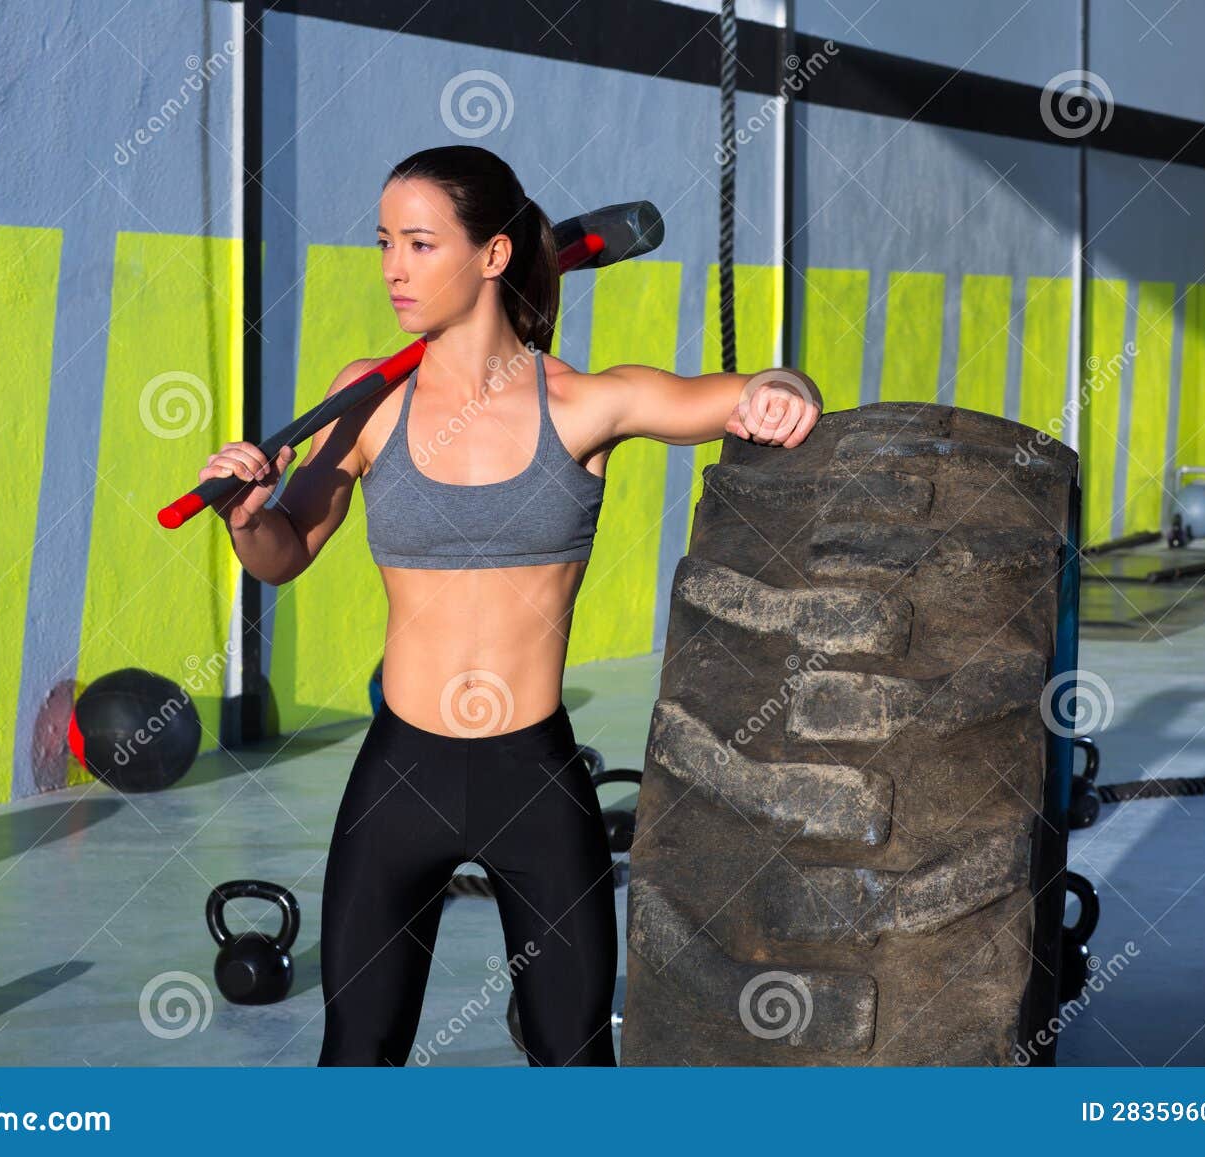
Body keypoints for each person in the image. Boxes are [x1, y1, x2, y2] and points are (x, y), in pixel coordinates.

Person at [198, 144, 822, 1066]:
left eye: (418, 243)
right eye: (383, 245)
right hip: (399, 773)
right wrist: (246, 514)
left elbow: (749, 395)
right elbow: (283, 552)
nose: (393, 270)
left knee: (572, 1057)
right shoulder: (366, 399)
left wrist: (783, 394)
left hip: (533, 776)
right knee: (355, 1054)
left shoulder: (585, 403)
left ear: (491, 257)